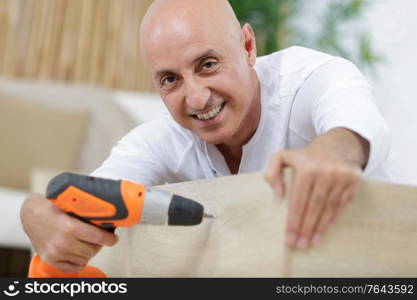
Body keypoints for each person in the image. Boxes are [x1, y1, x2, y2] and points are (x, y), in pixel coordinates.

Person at [20, 0, 403, 274]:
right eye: (170, 79)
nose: (197, 98)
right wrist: (34, 213)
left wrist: (334, 151)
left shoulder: (311, 77)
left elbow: (356, 122)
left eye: (207, 65)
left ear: (248, 46)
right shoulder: (160, 137)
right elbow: (96, 193)